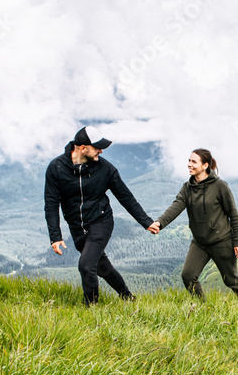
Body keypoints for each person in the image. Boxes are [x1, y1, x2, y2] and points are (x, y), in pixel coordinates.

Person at [44, 127, 155, 305]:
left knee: (86, 265)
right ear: (82, 148)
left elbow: (126, 197)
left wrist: (146, 222)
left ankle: (92, 310)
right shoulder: (56, 168)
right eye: (97, 147)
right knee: (102, 267)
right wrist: (55, 236)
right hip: (77, 227)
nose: (101, 151)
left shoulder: (105, 169)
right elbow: (51, 203)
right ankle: (128, 297)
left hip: (101, 221)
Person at [149, 149, 238, 299]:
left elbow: (233, 214)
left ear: (205, 165)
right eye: (189, 161)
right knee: (188, 276)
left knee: (230, 280)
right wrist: (159, 223)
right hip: (200, 242)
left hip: (221, 240)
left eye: (193, 162)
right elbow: (176, 206)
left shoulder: (220, 186)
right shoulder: (187, 188)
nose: (189, 164)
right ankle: (202, 307)